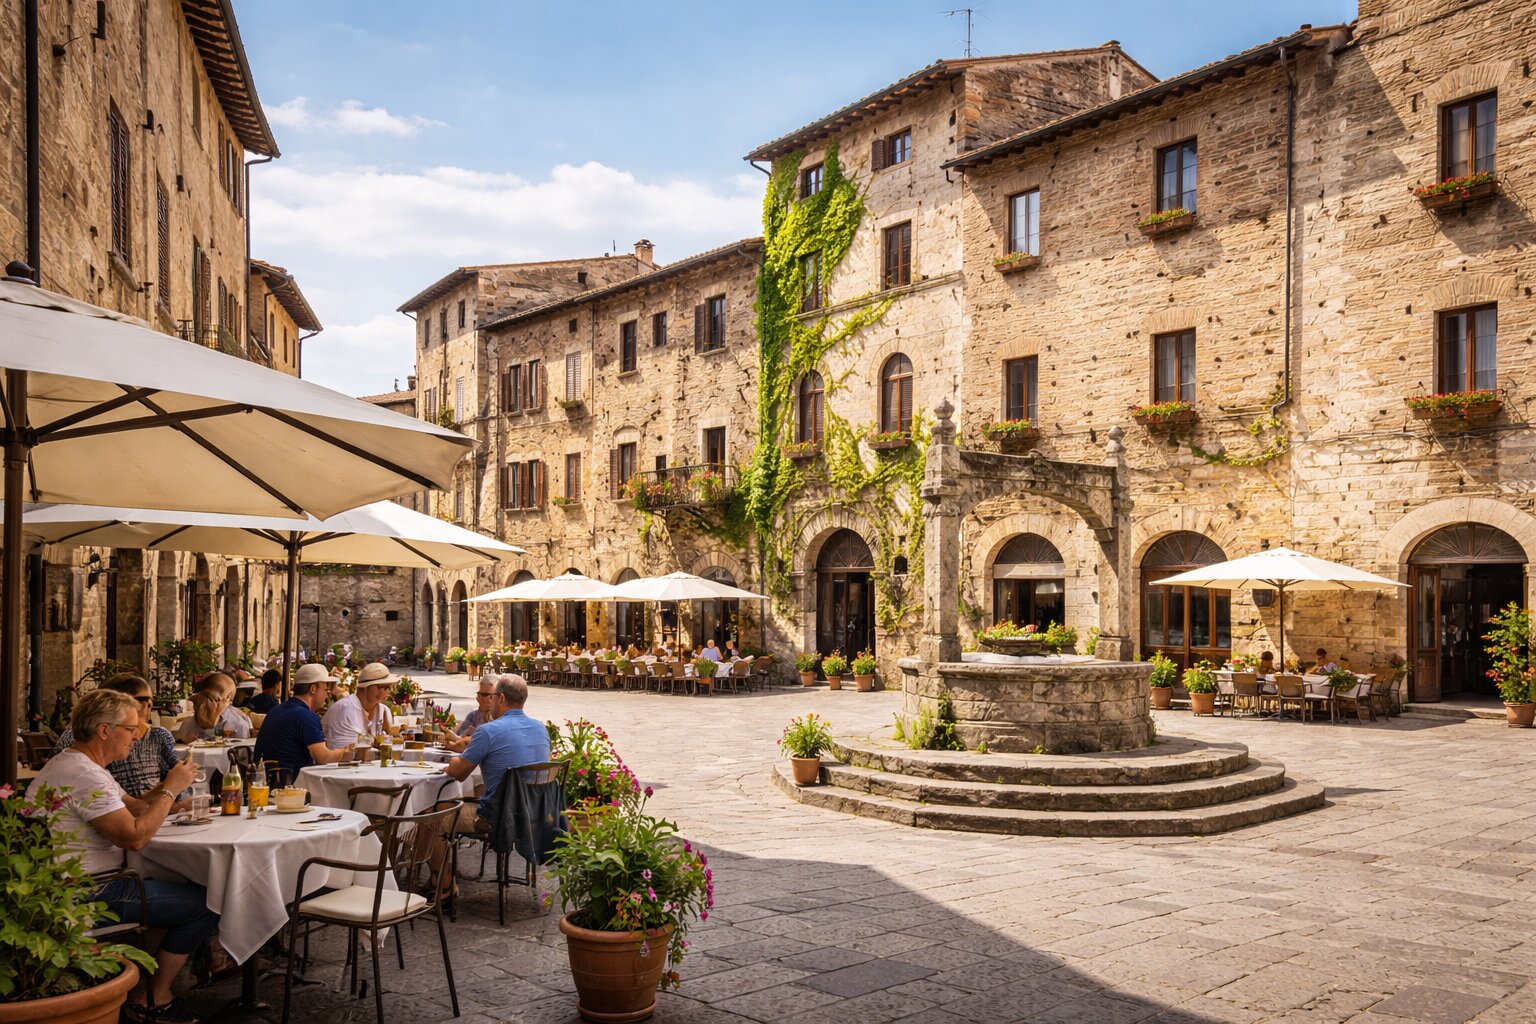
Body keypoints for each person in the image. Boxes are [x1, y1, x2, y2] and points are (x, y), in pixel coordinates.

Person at [29, 689, 216, 1022]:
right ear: (104, 730)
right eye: (131, 729)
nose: (138, 735)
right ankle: (155, 997)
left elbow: (134, 807)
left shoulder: (76, 764)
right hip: (91, 892)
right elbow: (135, 837)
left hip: (66, 885)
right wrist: (172, 786)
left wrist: (173, 803)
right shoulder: (86, 776)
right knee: (208, 903)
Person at [426, 676, 551, 891]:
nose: (489, 701)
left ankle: (443, 883)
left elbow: (459, 773)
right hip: (535, 814)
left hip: (497, 818)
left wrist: (452, 762)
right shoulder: (540, 728)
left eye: (491, 697)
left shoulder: (488, 731)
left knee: (430, 814)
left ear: (501, 698)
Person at [51, 675, 181, 802]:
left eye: (150, 701)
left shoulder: (157, 736)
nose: (148, 705)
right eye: (141, 700)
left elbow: (134, 806)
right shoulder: (83, 743)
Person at [254, 664, 356, 784]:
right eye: (325, 689)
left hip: (266, 781)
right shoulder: (305, 715)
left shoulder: (277, 710)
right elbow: (323, 758)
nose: (326, 694)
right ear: (313, 689)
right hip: (289, 785)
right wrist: (348, 752)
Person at [322, 662, 396, 749]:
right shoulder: (344, 709)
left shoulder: (383, 710)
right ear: (372, 688)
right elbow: (348, 752)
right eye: (386, 687)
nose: (389, 691)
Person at [172, 673, 252, 742]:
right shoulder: (189, 722)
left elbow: (241, 754)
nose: (207, 702)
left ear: (228, 699)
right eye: (204, 696)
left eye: (212, 698)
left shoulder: (238, 725)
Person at [443, 677, 495, 753]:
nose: (491, 698)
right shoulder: (473, 716)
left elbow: (480, 746)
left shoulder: (497, 719)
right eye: (485, 695)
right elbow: (460, 733)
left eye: (493, 695)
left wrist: (455, 740)